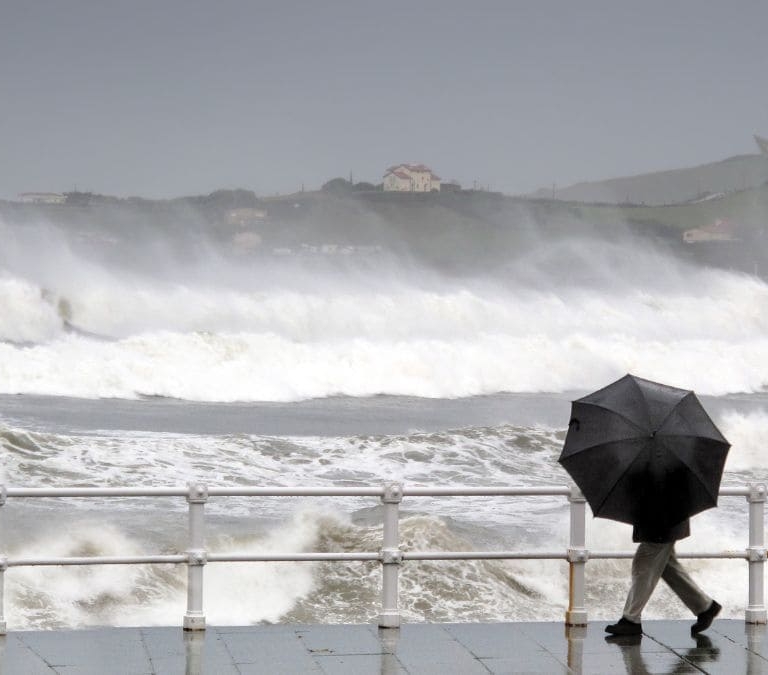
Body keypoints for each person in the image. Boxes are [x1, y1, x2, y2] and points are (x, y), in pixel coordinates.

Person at [605, 516, 721, 636]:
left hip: (663, 519)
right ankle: (705, 607)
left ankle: (630, 620)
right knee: (667, 566)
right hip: (666, 518)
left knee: (644, 562)